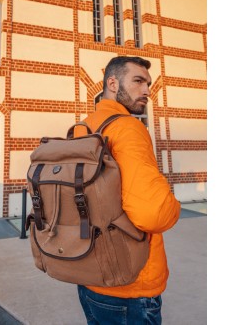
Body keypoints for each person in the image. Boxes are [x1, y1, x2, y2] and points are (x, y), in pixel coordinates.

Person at [76, 56, 181, 324]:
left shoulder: (83, 127)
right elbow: (153, 214)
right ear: (112, 82)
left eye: (148, 83)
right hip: (130, 283)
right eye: (138, 81)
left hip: (88, 273)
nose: (147, 90)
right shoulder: (129, 128)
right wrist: (173, 205)